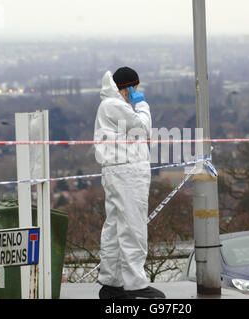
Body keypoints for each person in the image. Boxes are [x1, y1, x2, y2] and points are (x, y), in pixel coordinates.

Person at [93, 66, 165, 299]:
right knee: (133, 227)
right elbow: (142, 129)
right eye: (135, 88)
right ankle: (135, 284)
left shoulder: (112, 105)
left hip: (121, 171)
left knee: (115, 227)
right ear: (128, 88)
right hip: (127, 173)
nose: (136, 91)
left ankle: (112, 282)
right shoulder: (114, 105)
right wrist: (143, 105)